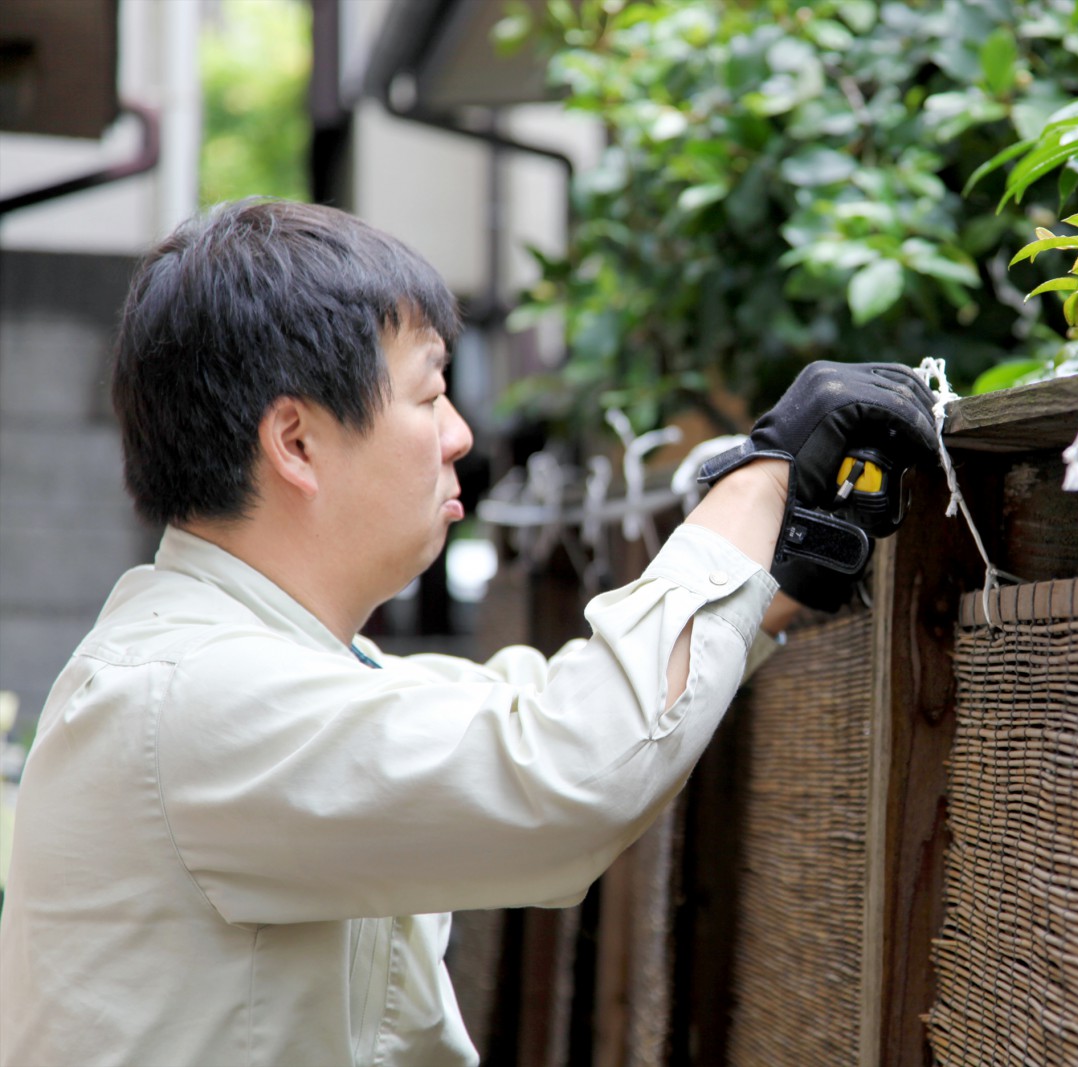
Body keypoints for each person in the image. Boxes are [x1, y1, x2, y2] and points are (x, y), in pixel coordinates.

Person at [0, 199, 937, 1066]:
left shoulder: (253, 667)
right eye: (429, 392)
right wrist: (763, 475)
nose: (459, 434)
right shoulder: (191, 698)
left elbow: (523, 706)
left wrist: (763, 591)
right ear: (295, 442)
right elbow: (574, 766)